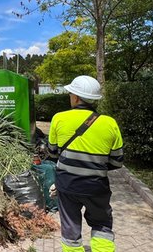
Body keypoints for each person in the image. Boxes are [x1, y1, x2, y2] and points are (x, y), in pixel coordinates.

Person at [47, 75, 123, 252]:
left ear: (76, 97)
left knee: (70, 227)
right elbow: (117, 162)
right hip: (96, 187)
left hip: (67, 185)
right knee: (102, 224)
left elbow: (52, 153)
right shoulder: (110, 123)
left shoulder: (58, 118)